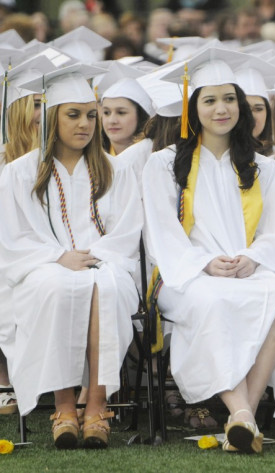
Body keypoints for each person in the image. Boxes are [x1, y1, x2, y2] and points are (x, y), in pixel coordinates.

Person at [143, 48, 275, 454]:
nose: (221, 108)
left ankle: (242, 417)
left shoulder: (265, 168)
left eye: (229, 99)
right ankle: (243, 415)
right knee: (211, 299)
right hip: (186, 273)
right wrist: (203, 263)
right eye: (209, 100)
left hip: (247, 267)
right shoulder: (164, 163)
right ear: (193, 109)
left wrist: (254, 258)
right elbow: (161, 232)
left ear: (241, 107)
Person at [0, 63, 143, 448]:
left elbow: (129, 231)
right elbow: (10, 238)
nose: (85, 124)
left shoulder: (115, 170)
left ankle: (96, 406)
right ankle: (64, 407)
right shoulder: (18, 173)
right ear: (51, 118)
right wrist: (57, 256)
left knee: (106, 285)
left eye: (91, 115)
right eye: (73, 114)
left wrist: (95, 255)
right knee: (57, 286)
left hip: (106, 262)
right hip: (41, 266)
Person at [0, 54, 56, 417]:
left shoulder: (64, 158)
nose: (42, 112)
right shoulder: (4, 160)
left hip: (50, 253)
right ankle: (4, 379)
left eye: (46, 104)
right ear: (18, 109)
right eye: (36, 104)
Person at [99, 68, 154, 156]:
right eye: (106, 113)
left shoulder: (155, 159)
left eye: (121, 113)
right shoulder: (91, 160)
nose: (112, 121)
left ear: (140, 116)